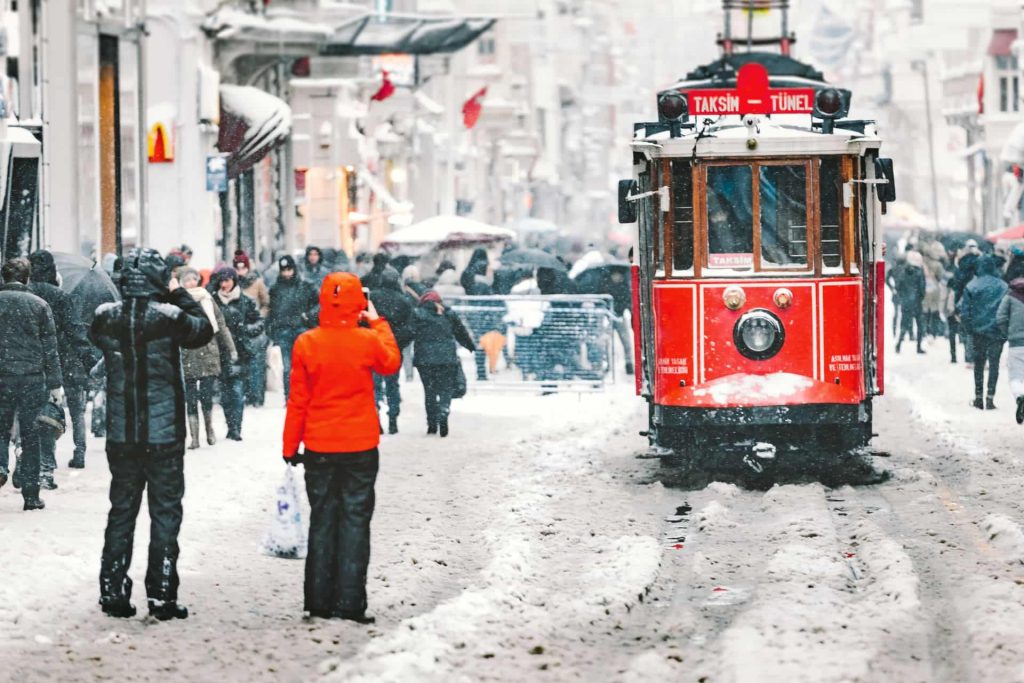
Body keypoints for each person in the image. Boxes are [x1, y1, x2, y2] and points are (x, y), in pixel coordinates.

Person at [91, 248, 213, 619]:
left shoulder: (106, 318)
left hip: (123, 432)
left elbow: (96, 340)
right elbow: (203, 331)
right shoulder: (170, 318)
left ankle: (112, 587)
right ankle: (161, 591)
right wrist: (175, 291)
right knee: (165, 512)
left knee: (122, 510)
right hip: (163, 434)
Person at [282, 272, 401, 623]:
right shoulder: (366, 340)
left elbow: (297, 400)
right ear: (358, 303)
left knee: (323, 519)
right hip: (360, 445)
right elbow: (391, 362)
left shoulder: (306, 342)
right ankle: (350, 603)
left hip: (319, 445)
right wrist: (377, 321)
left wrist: (291, 446)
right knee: (355, 522)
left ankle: (318, 601)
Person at [0, 258, 63, 510]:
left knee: (0, 428)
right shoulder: (40, 305)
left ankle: (0, 465)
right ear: (27, 278)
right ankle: (30, 494)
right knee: (31, 436)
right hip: (32, 378)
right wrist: (56, 385)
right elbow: (50, 349)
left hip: (2, 376)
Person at [28, 249, 98, 474]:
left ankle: (37, 460)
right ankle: (78, 452)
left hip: (34, 362)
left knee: (37, 412)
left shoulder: (27, 294)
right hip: (66, 361)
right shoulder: (61, 297)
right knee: (75, 410)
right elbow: (75, 331)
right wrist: (89, 361)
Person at [179, 267, 237, 450]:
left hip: (207, 349)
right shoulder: (178, 301)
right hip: (187, 351)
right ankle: (194, 437)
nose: (190, 283)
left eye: (192, 279)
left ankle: (209, 429)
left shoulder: (207, 298)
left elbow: (220, 324)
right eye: (186, 280)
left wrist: (231, 348)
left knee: (206, 394)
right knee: (190, 397)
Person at [410, 291, 476, 437]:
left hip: (425, 360)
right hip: (447, 359)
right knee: (446, 388)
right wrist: (470, 346)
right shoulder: (448, 314)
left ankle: (432, 424)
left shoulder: (418, 314)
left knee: (430, 391)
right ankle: (444, 409)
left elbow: (408, 333)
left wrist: (395, 344)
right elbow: (461, 333)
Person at [211, 266, 263, 440]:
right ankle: (230, 425)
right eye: (222, 281)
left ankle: (236, 429)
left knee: (237, 391)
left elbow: (258, 322)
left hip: (240, 351)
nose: (224, 284)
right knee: (225, 393)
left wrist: (246, 330)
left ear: (234, 280)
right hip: (220, 351)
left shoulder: (245, 301)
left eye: (227, 280)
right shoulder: (213, 301)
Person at [368, 269, 414, 434]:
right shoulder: (403, 301)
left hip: (373, 346)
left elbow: (365, 321)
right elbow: (410, 328)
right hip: (393, 348)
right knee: (392, 385)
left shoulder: (372, 298)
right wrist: (398, 342)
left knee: (374, 385)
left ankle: (376, 416)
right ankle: (393, 417)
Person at [960, 254, 1009, 410]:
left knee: (979, 365)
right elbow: (1008, 310)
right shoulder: (1003, 286)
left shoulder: (971, 286)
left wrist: (969, 330)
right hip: (997, 331)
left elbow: (965, 312)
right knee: (994, 365)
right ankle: (990, 397)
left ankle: (978, 397)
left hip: (978, 331)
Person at [268, 255, 319, 402]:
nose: (287, 273)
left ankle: (305, 395)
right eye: (284, 270)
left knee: (305, 365)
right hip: (284, 331)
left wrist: (307, 316)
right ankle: (290, 397)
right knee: (288, 367)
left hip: (302, 329)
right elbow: (272, 310)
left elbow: (318, 304)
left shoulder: (306, 286)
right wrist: (273, 329)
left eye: (289, 269)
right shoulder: (276, 289)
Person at [233, 250, 270, 407]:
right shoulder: (232, 282)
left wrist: (259, 317)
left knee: (257, 366)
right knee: (244, 365)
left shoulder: (257, 282)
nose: (241, 271)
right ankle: (246, 395)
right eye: (238, 267)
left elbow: (266, 303)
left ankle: (256, 397)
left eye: (243, 267)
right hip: (239, 328)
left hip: (254, 328)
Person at [998, 278, 1024, 423]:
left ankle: (1020, 397)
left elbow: (1000, 317)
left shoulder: (1009, 298)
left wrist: (1007, 333)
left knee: (1015, 376)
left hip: (1016, 343)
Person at [895, 250, 926, 354]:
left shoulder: (903, 271)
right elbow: (922, 288)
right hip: (917, 302)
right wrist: (920, 297)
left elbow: (898, 286)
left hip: (906, 303)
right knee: (920, 325)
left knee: (904, 324)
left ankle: (899, 344)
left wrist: (903, 296)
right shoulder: (919, 272)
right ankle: (918, 347)